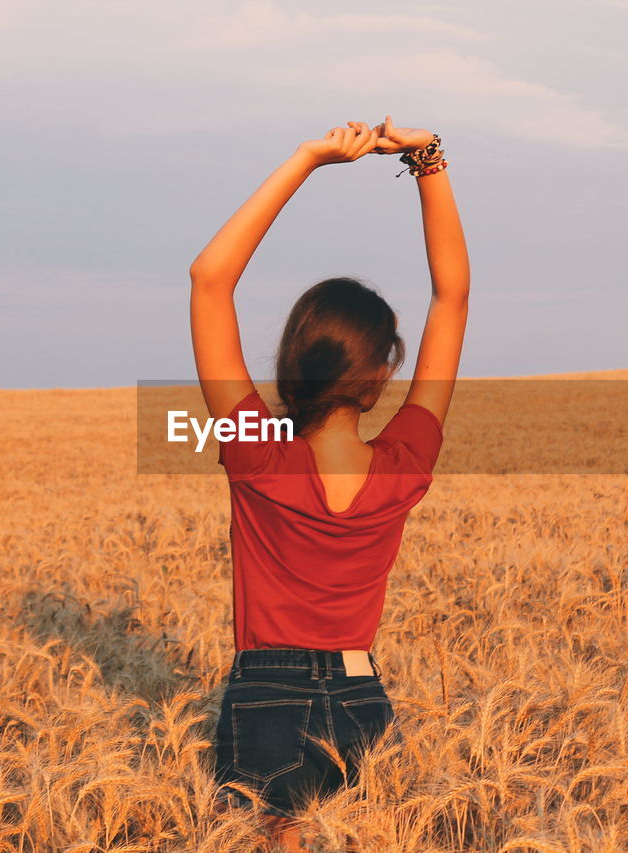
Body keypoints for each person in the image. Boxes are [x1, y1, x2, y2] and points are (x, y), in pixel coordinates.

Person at [190, 116, 469, 852]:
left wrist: (308, 159)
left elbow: (210, 280)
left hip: (265, 690)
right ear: (380, 375)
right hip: (360, 692)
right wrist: (427, 160)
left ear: (291, 359)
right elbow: (453, 298)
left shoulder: (258, 453)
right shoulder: (403, 463)